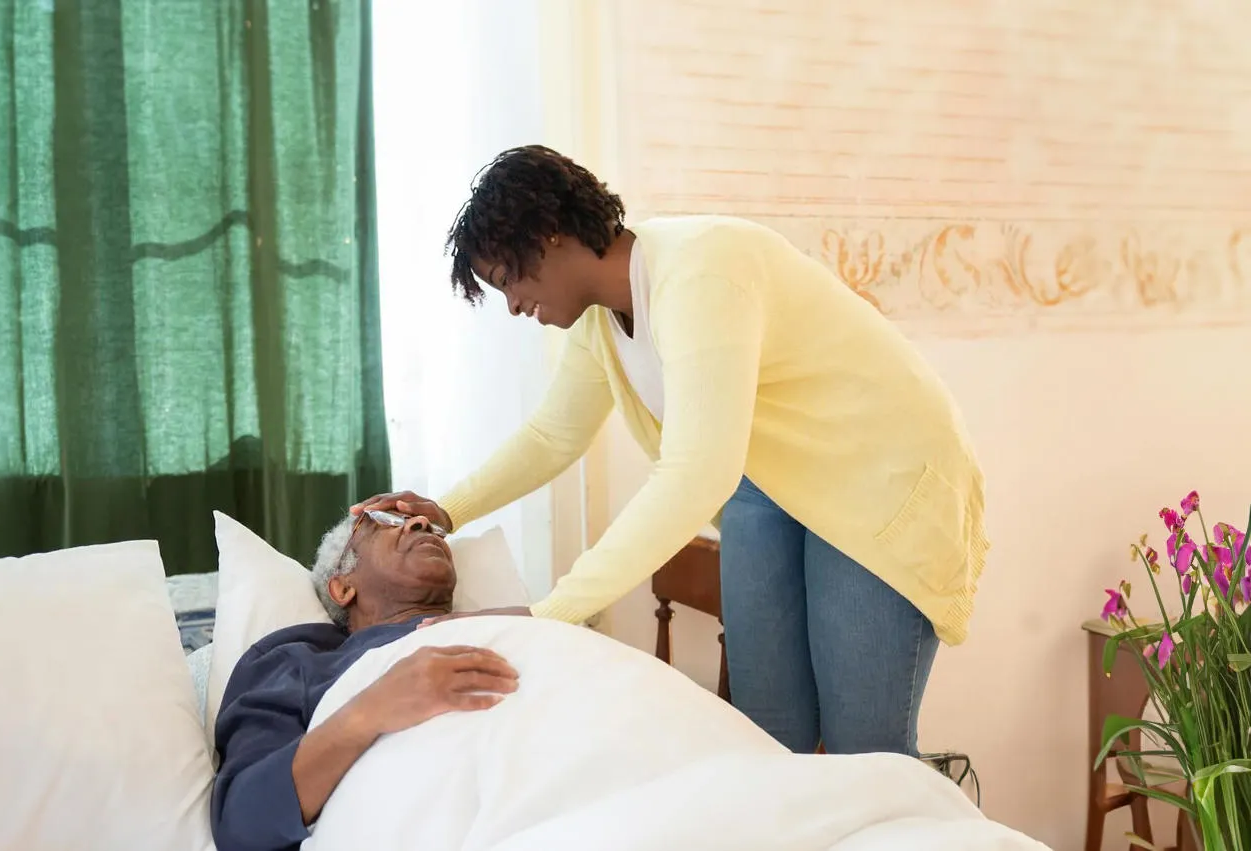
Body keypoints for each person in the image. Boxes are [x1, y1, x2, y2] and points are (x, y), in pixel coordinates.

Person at [354, 145, 988, 758]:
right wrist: (446, 510)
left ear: (549, 235)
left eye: (507, 282)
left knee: (866, 751)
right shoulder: (602, 317)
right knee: (768, 737)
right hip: (765, 483)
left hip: (878, 476)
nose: (515, 306)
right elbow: (552, 436)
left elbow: (694, 475)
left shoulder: (702, 269)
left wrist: (555, 611)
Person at [209, 509, 519, 851]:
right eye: (383, 523)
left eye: (427, 525)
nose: (420, 524)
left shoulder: (530, 621)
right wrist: (368, 711)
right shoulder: (301, 660)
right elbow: (242, 825)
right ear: (343, 587)